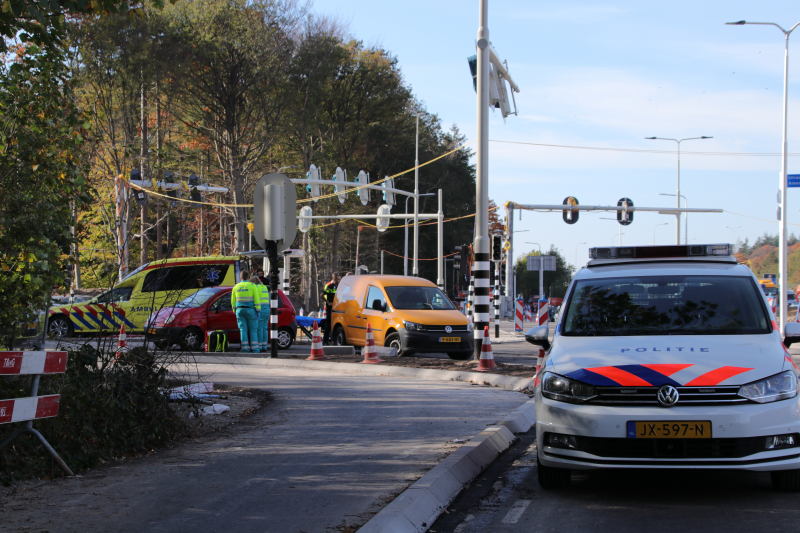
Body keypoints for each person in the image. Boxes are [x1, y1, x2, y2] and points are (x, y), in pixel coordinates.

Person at [231, 270, 262, 353]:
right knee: (253, 330)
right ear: (248, 277)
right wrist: (258, 311)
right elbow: (257, 299)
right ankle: (255, 348)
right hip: (250, 310)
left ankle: (244, 348)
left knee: (243, 330)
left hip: (239, 310)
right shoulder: (252, 286)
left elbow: (233, 301)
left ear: (241, 278)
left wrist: (234, 310)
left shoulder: (236, 287)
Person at [251, 275, 272, 354]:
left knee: (259, 329)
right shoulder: (264, 287)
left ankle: (259, 346)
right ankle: (264, 346)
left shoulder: (256, 287)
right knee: (264, 329)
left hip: (261, 310)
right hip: (267, 309)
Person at [320, 272, 340, 344]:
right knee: (328, 325)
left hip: (337, 308)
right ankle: (325, 341)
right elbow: (322, 295)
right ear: (334, 279)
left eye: (340, 279)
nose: (339, 281)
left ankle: (334, 340)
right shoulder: (330, 286)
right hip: (330, 309)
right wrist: (328, 302)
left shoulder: (339, 287)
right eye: (338, 279)